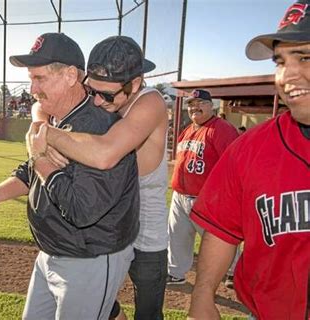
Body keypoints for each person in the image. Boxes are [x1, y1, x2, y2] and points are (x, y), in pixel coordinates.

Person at [0, 32, 140, 319]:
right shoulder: (58, 118)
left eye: (40, 78)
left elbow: (81, 209)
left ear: (71, 75)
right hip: (51, 252)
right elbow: (31, 171)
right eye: (31, 78)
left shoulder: (99, 126)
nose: (32, 88)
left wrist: (40, 159)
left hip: (89, 258)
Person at [188, 1, 310, 319]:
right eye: (280, 61)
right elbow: (221, 227)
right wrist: (202, 295)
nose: (287, 75)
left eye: (305, 57)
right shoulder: (250, 148)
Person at [36, 35, 169, 320]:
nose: (96, 101)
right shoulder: (104, 97)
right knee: (102, 305)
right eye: (91, 90)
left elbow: (105, 154)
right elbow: (42, 107)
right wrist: (40, 125)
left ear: (134, 84)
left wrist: (43, 136)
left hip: (145, 230)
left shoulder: (150, 102)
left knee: (148, 314)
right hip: (108, 226)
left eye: (106, 95)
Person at [167, 89, 240, 285]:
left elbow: (234, 164)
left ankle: (235, 272)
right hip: (180, 195)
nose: (194, 107)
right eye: (191, 104)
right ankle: (176, 272)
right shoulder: (188, 129)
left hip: (206, 198)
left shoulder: (222, 129)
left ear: (211, 105)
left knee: (219, 238)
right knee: (177, 236)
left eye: (200, 102)